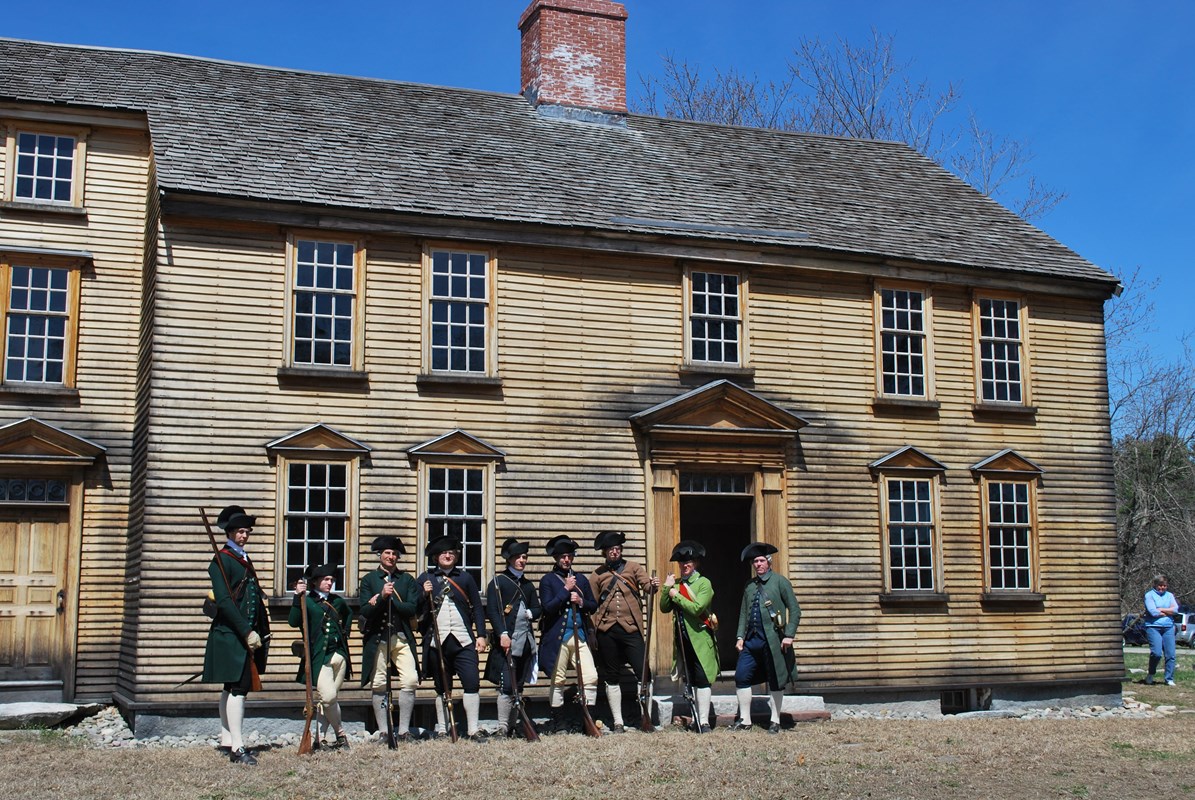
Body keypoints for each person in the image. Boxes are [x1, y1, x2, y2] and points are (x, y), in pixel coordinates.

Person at [202, 506, 270, 765]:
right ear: (229, 533)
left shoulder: (242, 558)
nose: (244, 535)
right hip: (231, 633)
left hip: (244, 633)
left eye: (246, 531)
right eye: (240, 531)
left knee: (231, 687)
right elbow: (224, 602)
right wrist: (246, 631)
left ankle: (227, 739)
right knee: (238, 688)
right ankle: (238, 748)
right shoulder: (221, 561)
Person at [417, 536, 488, 739]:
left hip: (464, 640)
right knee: (441, 687)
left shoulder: (465, 578)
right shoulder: (425, 578)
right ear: (435, 557)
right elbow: (414, 608)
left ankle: (473, 728)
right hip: (437, 642)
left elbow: (477, 609)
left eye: (451, 553)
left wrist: (481, 635)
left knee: (471, 682)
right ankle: (442, 728)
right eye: (443, 553)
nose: (448, 556)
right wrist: (423, 594)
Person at [588, 530, 659, 732]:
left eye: (617, 549)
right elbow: (591, 606)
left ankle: (645, 716)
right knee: (611, 675)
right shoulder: (597, 575)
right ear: (605, 552)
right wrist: (592, 631)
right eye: (611, 549)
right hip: (606, 631)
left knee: (644, 673)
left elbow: (646, 586)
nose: (615, 552)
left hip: (631, 629)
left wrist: (652, 585)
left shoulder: (634, 568)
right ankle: (618, 721)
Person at [732, 542, 801, 733]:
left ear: (769, 562)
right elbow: (744, 613)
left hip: (773, 640)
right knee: (741, 676)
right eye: (755, 561)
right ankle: (745, 720)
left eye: (762, 560)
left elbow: (795, 610)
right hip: (751, 640)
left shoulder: (780, 582)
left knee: (776, 679)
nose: (758, 564)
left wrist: (789, 635)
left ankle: (775, 720)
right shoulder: (749, 585)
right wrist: (740, 636)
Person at [358, 535, 421, 743]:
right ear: (380, 555)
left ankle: (403, 730)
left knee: (410, 680)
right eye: (387, 553)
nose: (391, 557)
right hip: (378, 637)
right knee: (378, 683)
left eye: (394, 553)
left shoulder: (407, 580)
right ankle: (384, 731)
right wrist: (381, 597)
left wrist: (389, 598)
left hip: (401, 636)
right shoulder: (369, 580)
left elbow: (412, 607)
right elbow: (366, 610)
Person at [539, 535, 599, 732]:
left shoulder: (581, 579)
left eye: (569, 556)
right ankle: (559, 723)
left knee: (591, 676)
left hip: (579, 634)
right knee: (558, 680)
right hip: (559, 638)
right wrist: (565, 590)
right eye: (563, 556)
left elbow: (592, 605)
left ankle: (587, 722)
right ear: (556, 558)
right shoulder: (547, 580)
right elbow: (547, 608)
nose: (566, 560)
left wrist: (581, 602)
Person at [290, 563, 352, 749]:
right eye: (326, 579)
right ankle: (341, 733)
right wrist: (296, 597)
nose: (329, 583)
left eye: (332, 580)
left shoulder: (337, 601)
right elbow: (293, 622)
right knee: (328, 697)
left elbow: (348, 615)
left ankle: (321, 739)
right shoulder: (306, 601)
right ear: (315, 582)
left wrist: (344, 633)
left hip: (339, 656)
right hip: (319, 656)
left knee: (328, 700)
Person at [485, 538, 542, 737]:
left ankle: (511, 726)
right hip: (507, 640)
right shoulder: (498, 583)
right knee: (507, 685)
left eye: (524, 557)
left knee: (519, 685)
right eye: (517, 557)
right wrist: (502, 633)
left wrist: (531, 614)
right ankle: (502, 726)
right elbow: (492, 611)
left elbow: (537, 607)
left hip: (526, 641)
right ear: (509, 560)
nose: (521, 561)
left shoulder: (527, 585)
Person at [660, 539, 718, 733]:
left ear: (695, 564)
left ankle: (704, 721)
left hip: (700, 639)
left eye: (689, 562)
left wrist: (675, 594)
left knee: (702, 679)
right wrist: (667, 587)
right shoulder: (676, 584)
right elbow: (664, 607)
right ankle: (694, 719)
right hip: (683, 640)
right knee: (691, 679)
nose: (685, 566)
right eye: (682, 563)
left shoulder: (704, 583)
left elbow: (697, 608)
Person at [1143, 574, 1179, 686]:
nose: (1162, 588)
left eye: (1164, 586)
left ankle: (1169, 678)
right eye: (1160, 585)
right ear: (1155, 585)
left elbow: (1176, 610)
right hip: (1153, 627)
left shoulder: (1169, 595)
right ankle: (1151, 673)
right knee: (1156, 653)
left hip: (1168, 627)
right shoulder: (1149, 595)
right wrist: (1169, 611)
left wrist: (1162, 609)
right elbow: (1153, 612)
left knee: (1170, 654)